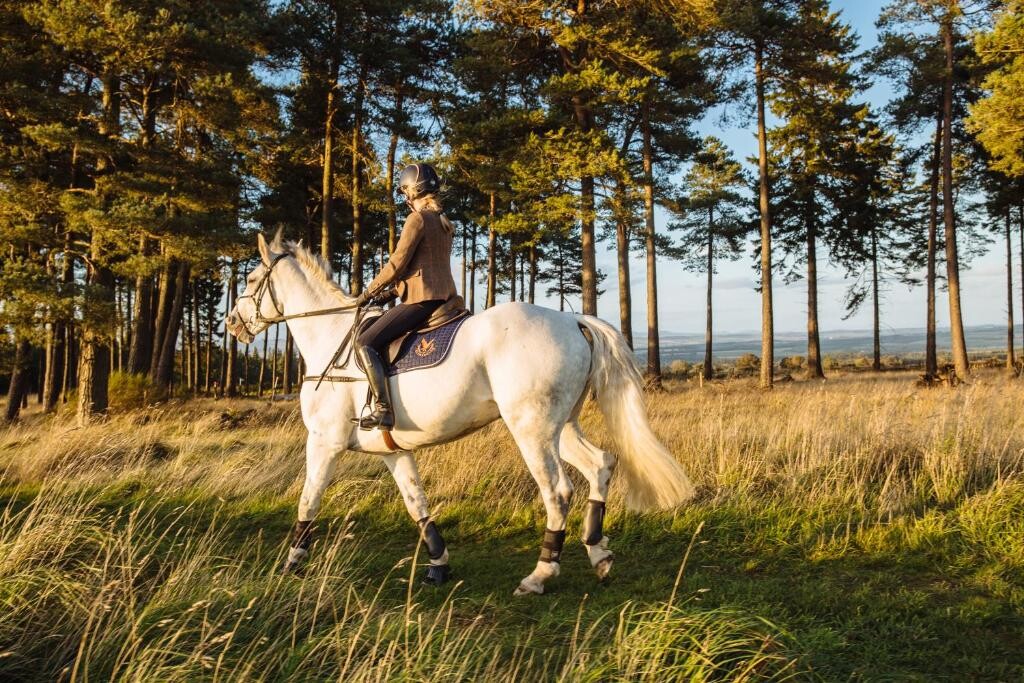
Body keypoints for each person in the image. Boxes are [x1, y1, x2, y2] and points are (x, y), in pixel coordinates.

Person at [352, 162, 458, 431]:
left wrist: (368, 292)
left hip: (421, 301)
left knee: (365, 342)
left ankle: (383, 410)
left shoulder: (418, 219)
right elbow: (423, 270)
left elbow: (397, 264)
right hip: (444, 298)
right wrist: (389, 293)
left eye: (404, 192)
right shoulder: (444, 223)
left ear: (413, 191)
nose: (404, 198)